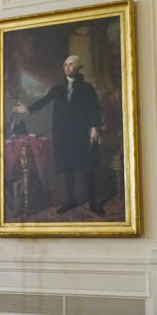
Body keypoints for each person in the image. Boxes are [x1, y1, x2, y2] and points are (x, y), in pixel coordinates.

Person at [13, 54, 104, 215]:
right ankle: (70, 201)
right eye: (65, 65)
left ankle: (93, 202)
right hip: (64, 134)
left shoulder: (87, 88)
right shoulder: (59, 88)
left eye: (71, 64)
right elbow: (44, 101)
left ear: (78, 67)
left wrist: (94, 127)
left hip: (82, 133)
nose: (68, 67)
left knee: (88, 168)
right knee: (67, 168)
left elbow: (94, 108)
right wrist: (27, 109)